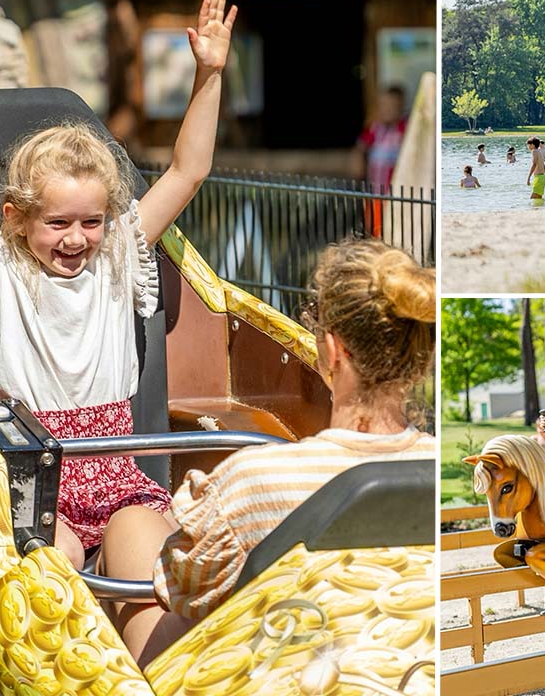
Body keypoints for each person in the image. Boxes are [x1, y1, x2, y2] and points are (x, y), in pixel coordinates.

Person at [0, 0, 236, 579]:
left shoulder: (117, 259)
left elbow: (189, 170)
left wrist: (208, 72)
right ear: (16, 219)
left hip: (116, 474)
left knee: (151, 570)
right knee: (55, 576)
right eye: (57, 223)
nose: (76, 239)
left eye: (90, 222)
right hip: (34, 477)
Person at [122, 238, 437, 663]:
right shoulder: (436, 467)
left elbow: (183, 590)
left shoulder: (255, 480)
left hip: (279, 666)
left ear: (333, 350)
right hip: (395, 658)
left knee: (130, 524)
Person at [355, 84, 407, 191]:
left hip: (396, 192)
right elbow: (361, 146)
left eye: (392, 106)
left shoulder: (404, 129)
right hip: (375, 189)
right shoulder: (375, 128)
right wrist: (359, 162)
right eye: (384, 105)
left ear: (400, 106)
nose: (387, 110)